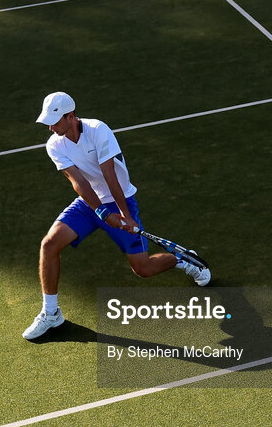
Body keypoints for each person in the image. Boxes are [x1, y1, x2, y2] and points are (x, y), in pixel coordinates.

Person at [23, 92, 211, 340]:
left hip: (121, 199)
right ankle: (51, 313)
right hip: (89, 203)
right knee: (49, 244)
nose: (50, 126)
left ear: (70, 116)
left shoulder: (98, 130)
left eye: (55, 121)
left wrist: (124, 215)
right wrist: (101, 211)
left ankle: (182, 259)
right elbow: (78, 181)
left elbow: (109, 174)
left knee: (142, 269)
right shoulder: (55, 144)